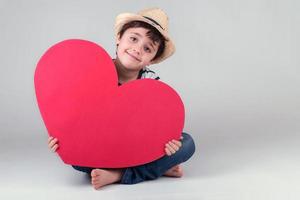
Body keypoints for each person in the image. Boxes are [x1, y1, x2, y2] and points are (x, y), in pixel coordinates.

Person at [48, 7, 195, 190]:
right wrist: (63, 136)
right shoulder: (95, 73)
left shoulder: (151, 83)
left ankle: (118, 175)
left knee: (187, 143)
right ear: (119, 39)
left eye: (147, 48)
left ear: (152, 59)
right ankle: (155, 168)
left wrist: (167, 143)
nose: (137, 49)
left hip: (134, 144)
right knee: (76, 158)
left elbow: (153, 126)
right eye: (133, 39)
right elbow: (77, 113)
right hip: (100, 142)